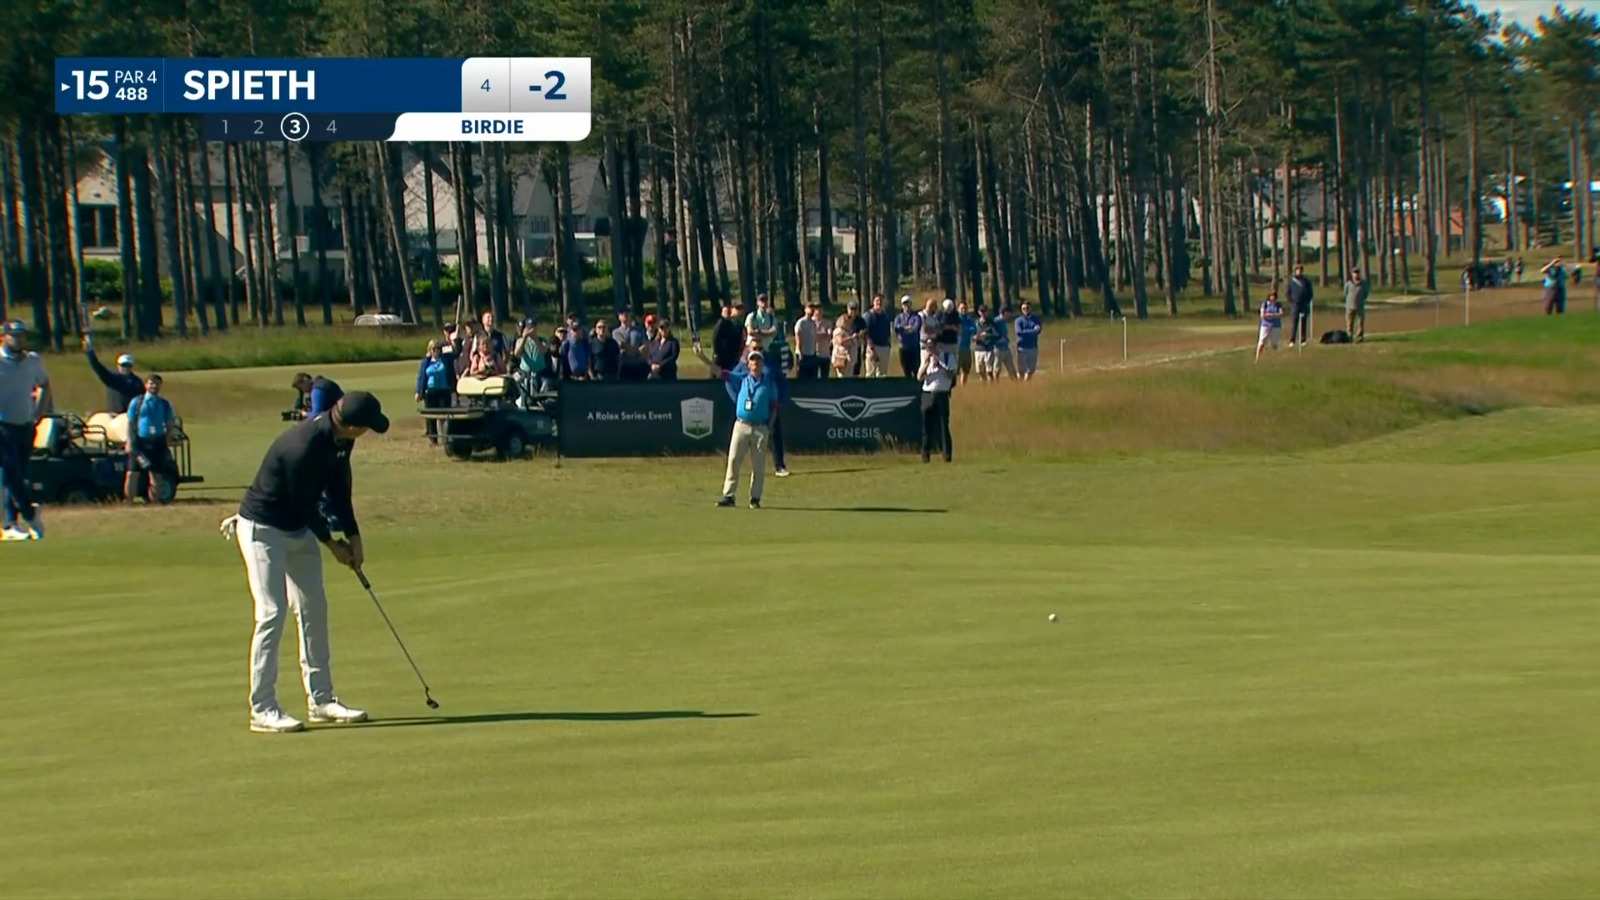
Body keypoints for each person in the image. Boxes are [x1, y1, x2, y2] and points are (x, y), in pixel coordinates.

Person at [225, 391, 389, 734]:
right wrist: (333, 545)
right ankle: (262, 708)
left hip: (297, 528)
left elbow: (338, 490)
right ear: (354, 425)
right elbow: (303, 503)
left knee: (314, 608)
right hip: (263, 528)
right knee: (272, 612)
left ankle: (321, 700)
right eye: (368, 428)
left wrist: (354, 536)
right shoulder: (305, 444)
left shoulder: (342, 439)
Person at [0, 320, 50, 541]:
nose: (18, 339)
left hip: (25, 425)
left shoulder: (32, 360)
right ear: (4, 337)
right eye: (14, 335)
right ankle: (26, 517)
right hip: (2, 425)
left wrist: (38, 411)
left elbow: (44, 384)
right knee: (10, 471)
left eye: (21, 335)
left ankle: (11, 523)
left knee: (15, 475)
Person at [714, 349, 776, 509]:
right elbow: (721, 373)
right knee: (733, 460)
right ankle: (729, 496)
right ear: (748, 364)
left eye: (758, 361)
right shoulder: (742, 379)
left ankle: (755, 498)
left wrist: (769, 426)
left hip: (760, 427)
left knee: (758, 465)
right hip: (741, 425)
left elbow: (775, 406)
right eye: (752, 361)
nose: (755, 363)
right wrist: (701, 357)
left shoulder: (769, 383)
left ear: (762, 364)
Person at [124, 374, 177, 501]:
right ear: (146, 385)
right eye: (151, 383)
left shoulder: (164, 404)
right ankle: (128, 502)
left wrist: (168, 439)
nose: (154, 386)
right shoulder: (137, 402)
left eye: (157, 383)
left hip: (157, 442)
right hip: (140, 442)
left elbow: (169, 423)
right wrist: (129, 442)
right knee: (132, 474)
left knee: (156, 475)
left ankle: (155, 502)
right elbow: (130, 423)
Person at [917, 338, 955, 463]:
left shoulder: (948, 357)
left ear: (938, 346)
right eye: (928, 347)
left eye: (932, 346)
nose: (930, 349)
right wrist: (927, 363)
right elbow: (919, 377)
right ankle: (925, 454)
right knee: (926, 427)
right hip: (927, 394)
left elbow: (951, 375)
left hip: (942, 394)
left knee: (943, 425)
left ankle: (947, 454)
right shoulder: (925, 358)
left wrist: (940, 364)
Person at [82, 335, 143, 412]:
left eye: (128, 365)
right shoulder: (113, 379)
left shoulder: (137, 382)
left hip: (131, 416)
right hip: (114, 416)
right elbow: (98, 368)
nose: (126, 367)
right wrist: (90, 352)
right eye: (123, 365)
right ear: (118, 365)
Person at [415, 341, 455, 442]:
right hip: (430, 392)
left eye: (437, 348)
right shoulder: (426, 362)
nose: (435, 351)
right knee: (431, 417)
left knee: (444, 416)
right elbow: (421, 377)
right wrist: (419, 392)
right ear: (429, 350)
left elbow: (455, 351)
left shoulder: (446, 359)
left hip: (444, 391)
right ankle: (433, 439)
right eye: (433, 349)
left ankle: (446, 437)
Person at [863, 294, 893, 377]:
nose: (879, 303)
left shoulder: (886, 316)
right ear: (873, 302)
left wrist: (889, 345)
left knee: (882, 374)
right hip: (873, 348)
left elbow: (888, 331)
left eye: (881, 301)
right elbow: (866, 334)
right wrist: (871, 349)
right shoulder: (868, 316)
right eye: (877, 300)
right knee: (870, 374)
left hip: (884, 347)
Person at [615, 310, 650, 381]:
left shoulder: (640, 330)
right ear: (619, 317)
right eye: (622, 313)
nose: (625, 314)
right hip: (625, 366)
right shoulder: (616, 332)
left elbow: (645, 346)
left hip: (640, 365)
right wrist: (637, 350)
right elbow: (622, 345)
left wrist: (631, 349)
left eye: (627, 313)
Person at [893, 296, 923, 377]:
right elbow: (896, 328)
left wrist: (903, 329)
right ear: (902, 306)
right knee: (906, 370)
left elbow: (914, 328)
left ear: (911, 304)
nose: (906, 306)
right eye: (904, 304)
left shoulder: (916, 317)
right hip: (903, 348)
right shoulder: (898, 317)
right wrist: (906, 328)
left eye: (908, 303)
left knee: (916, 369)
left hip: (914, 347)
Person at [711, 303, 744, 373]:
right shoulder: (721, 323)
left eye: (740, 309)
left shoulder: (739, 324)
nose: (739, 311)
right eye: (737, 309)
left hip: (733, 358)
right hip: (721, 359)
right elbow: (715, 339)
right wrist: (717, 354)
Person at [1014, 301, 1043, 380]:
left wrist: (1027, 332)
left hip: (1033, 347)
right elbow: (1019, 332)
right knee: (1021, 370)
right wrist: (1032, 331)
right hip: (1021, 348)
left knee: (1031, 369)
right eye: (1023, 308)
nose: (1025, 310)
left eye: (1027, 308)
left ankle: (1027, 383)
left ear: (1030, 308)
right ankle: (1021, 387)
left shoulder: (1036, 319)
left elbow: (1039, 330)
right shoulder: (1018, 320)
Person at [1287, 264, 1314, 348]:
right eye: (1298, 270)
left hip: (1304, 305)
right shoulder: (1292, 281)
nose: (1299, 271)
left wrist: (1307, 301)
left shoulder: (1306, 281)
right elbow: (1288, 293)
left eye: (1301, 270)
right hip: (1295, 305)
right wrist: (1291, 301)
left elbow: (1310, 293)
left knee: (1303, 322)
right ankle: (1292, 340)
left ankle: (1303, 340)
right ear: (1295, 271)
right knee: (1294, 323)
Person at [831, 305, 861, 378]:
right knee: (843, 377)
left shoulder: (848, 331)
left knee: (850, 376)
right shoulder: (839, 331)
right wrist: (851, 337)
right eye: (848, 321)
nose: (850, 322)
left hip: (850, 358)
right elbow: (840, 341)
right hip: (842, 357)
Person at [1255, 291, 1284, 362]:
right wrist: (1273, 315)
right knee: (1262, 341)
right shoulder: (1265, 304)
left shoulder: (1278, 305)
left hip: (1276, 326)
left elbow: (1281, 314)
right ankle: (1257, 359)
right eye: (1271, 296)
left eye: (1274, 296)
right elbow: (1262, 315)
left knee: (1274, 343)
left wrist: (1271, 315)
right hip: (1265, 325)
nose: (1273, 297)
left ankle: (1275, 359)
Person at [1343, 268, 1369, 341]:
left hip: (1360, 306)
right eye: (1354, 272)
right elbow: (1345, 294)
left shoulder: (1363, 283)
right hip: (1349, 307)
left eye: (1357, 272)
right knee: (1349, 323)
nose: (1356, 274)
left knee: (1360, 323)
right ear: (1352, 274)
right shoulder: (1348, 283)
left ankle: (1360, 337)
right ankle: (1349, 337)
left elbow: (1366, 294)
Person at [991, 306, 1017, 379]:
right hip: (998, 349)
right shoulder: (996, 321)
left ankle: (1016, 385)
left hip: (1006, 348)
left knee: (1011, 369)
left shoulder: (1004, 321)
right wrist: (999, 339)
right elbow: (991, 332)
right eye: (1009, 313)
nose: (1010, 315)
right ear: (1005, 312)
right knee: (997, 369)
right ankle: (995, 385)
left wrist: (1006, 339)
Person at [972, 306, 996, 381]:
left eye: (984, 311)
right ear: (979, 312)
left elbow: (996, 334)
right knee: (980, 371)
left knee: (989, 371)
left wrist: (988, 335)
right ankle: (983, 387)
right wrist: (974, 337)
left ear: (987, 312)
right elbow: (971, 335)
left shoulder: (991, 322)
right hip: (978, 349)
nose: (983, 313)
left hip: (988, 349)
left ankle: (991, 387)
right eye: (981, 311)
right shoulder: (975, 323)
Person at [957, 301, 977, 385]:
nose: (964, 310)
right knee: (954, 371)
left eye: (965, 308)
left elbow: (974, 330)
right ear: (958, 309)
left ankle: (963, 387)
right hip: (956, 349)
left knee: (966, 370)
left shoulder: (969, 320)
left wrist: (965, 330)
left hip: (967, 349)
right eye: (962, 308)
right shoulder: (956, 319)